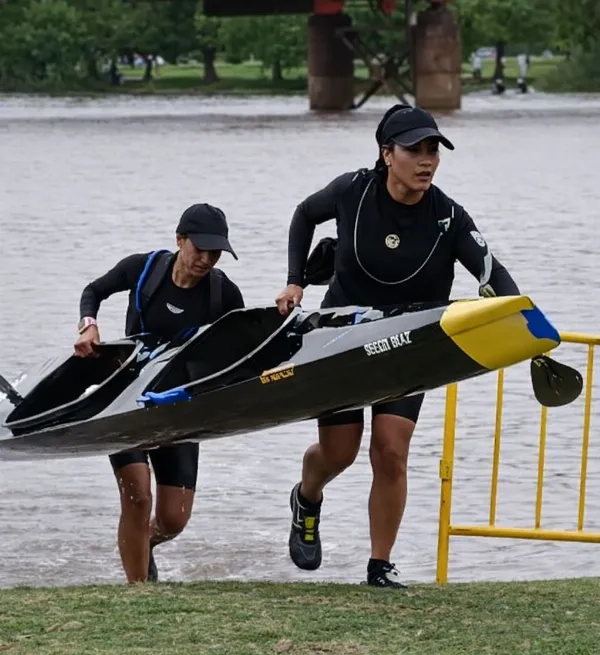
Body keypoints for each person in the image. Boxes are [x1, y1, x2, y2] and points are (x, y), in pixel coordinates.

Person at [275, 104, 520, 589]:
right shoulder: (353, 191)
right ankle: (307, 496)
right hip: (342, 338)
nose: (427, 160)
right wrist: (295, 280)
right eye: (415, 150)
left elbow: (494, 275)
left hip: (406, 347)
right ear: (387, 154)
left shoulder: (448, 217)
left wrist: (524, 322)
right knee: (339, 453)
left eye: (433, 150)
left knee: (391, 451)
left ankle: (379, 566)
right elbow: (304, 215)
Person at [74, 203, 244, 584]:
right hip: (126, 403)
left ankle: (142, 545)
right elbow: (94, 291)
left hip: (179, 410)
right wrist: (89, 326)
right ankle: (138, 591)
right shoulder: (145, 270)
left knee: (173, 518)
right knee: (138, 497)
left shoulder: (223, 294)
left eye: (215, 253)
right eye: (200, 249)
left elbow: (241, 348)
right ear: (179, 239)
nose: (206, 260)